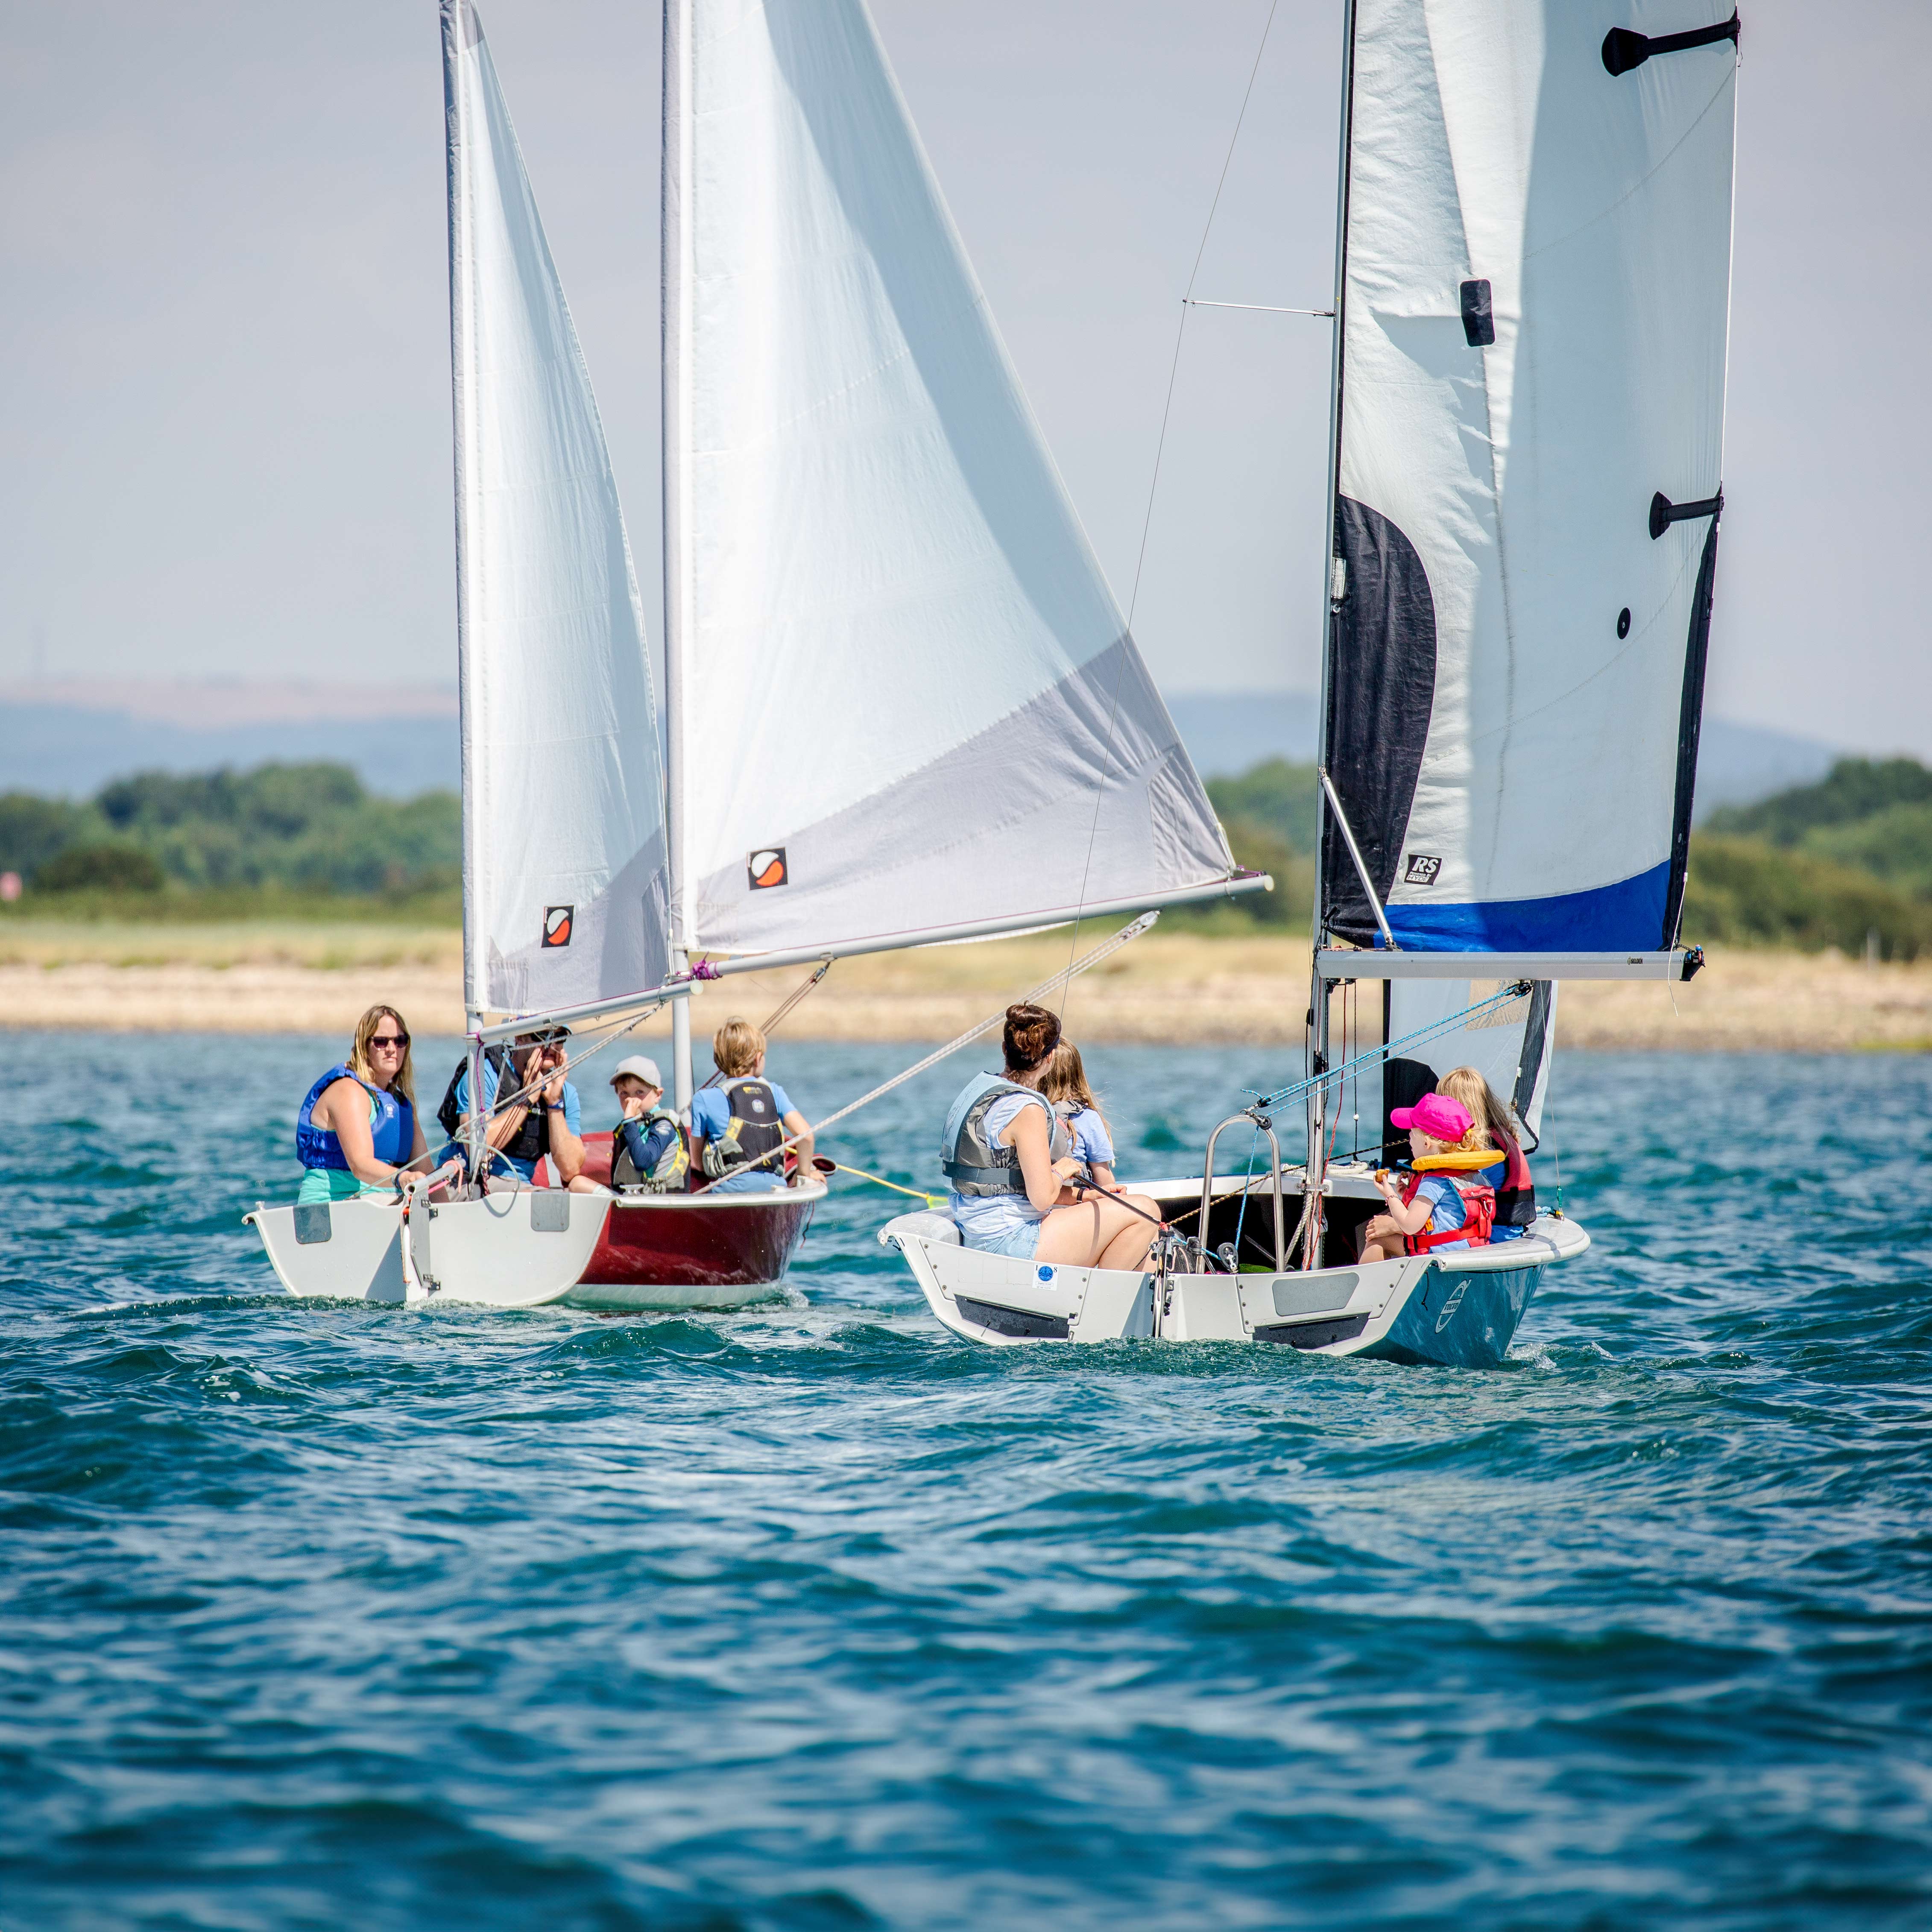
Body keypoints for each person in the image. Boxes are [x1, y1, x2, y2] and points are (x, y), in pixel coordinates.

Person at [941, 1002, 1161, 1269]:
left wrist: (1085, 1197)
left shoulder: (983, 1090)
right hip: (1010, 1241)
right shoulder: (1027, 1109)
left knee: (1133, 1216)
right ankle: (1101, 1302)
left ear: (1004, 1049)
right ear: (1050, 1057)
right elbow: (1042, 1198)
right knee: (1146, 1211)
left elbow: (1019, 1184)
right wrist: (1063, 1169)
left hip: (980, 1230)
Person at [296, 1004, 430, 1204]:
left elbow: (425, 1168)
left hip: (379, 1203)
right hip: (333, 1207)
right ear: (364, 1047)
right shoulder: (349, 1092)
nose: (392, 1049)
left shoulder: (402, 1105)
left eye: (400, 1041)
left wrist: (448, 1217)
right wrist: (403, 1178)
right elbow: (360, 1165)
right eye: (381, 1042)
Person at [436, 1027, 586, 1188]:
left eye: (559, 1038)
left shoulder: (565, 1093)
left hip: (519, 1185)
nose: (552, 1045)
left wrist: (554, 1105)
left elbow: (570, 1170)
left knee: (579, 1189)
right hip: (466, 1181)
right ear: (520, 1038)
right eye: (542, 1036)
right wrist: (526, 1100)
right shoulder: (483, 1074)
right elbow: (478, 1149)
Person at [1358, 1092, 1495, 1264]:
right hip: (1466, 1253)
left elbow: (1410, 1225)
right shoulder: (1474, 1175)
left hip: (1437, 1258)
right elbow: (1444, 1217)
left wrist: (1389, 1194)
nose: (1408, 1138)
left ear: (1427, 1143)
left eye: (1412, 1132)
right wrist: (1405, 1197)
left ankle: (1366, 1289)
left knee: (1378, 1241)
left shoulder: (1433, 1181)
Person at [690, 1018, 815, 1193]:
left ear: (718, 1060)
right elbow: (806, 1136)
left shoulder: (703, 1098)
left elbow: (698, 1163)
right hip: (774, 1189)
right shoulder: (774, 1092)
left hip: (726, 1193)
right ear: (758, 1059)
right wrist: (802, 1176)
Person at [1436, 1065, 1535, 1239]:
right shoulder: (1498, 1137)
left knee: (1380, 1236)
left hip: (1493, 1237)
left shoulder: (1482, 1152)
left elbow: (1455, 1210)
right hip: (1507, 1230)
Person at [1041, 1040, 1116, 1193]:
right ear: (1077, 1074)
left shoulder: (1026, 1110)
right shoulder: (1087, 1117)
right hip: (1075, 1203)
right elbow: (1105, 1183)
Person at [608, 1055, 688, 1193]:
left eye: (639, 1092)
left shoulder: (664, 1125)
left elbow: (643, 1162)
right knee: (578, 1184)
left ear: (658, 1095)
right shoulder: (634, 1126)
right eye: (624, 1093)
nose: (631, 1099)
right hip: (632, 1196)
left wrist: (629, 1121)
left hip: (658, 1202)